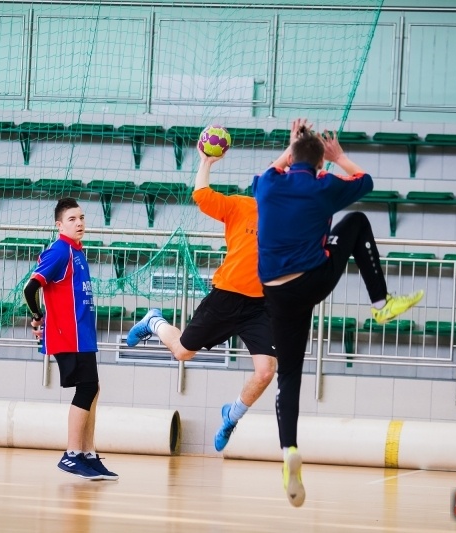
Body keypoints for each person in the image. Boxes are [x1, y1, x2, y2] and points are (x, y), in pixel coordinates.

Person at [254, 119, 424, 507]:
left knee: (289, 377)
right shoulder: (323, 186)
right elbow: (365, 181)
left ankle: (287, 451)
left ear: (291, 158)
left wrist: (291, 145)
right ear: (319, 164)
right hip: (312, 280)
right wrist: (340, 156)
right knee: (357, 221)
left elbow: (274, 168)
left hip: (276, 295)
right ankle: (381, 304)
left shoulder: (268, 184)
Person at [126, 144, 277, 452]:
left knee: (266, 370)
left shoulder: (289, 222)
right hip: (226, 296)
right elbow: (202, 195)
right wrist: (206, 162)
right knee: (183, 353)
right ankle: (153, 321)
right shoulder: (240, 206)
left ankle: (231, 417)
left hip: (259, 306)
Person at [23, 197, 118, 481]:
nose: (80, 223)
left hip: (83, 334)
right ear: (59, 225)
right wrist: (38, 316)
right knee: (87, 388)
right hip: (68, 335)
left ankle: (88, 454)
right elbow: (30, 288)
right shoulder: (59, 251)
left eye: (82, 218)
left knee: (94, 388)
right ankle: (72, 454)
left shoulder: (78, 251)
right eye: (73, 219)